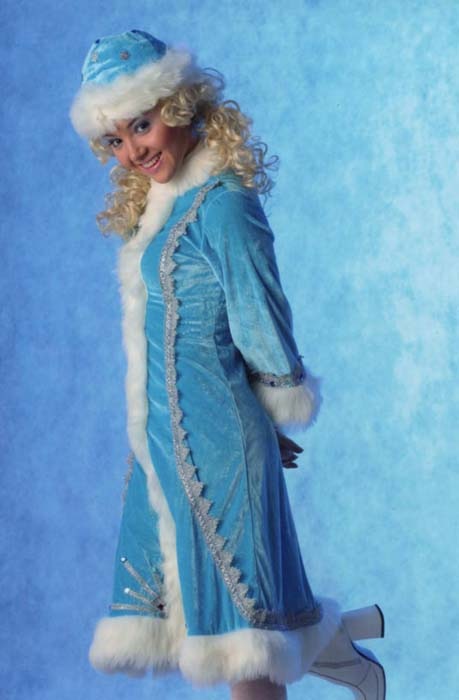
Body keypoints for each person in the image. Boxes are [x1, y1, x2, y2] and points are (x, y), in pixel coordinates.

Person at [69, 29, 386, 699]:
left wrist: (273, 408)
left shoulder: (223, 205)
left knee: (245, 647)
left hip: (218, 444)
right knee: (223, 622)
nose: (132, 151)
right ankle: (339, 647)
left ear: (178, 104)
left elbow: (260, 317)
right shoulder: (159, 209)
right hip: (162, 445)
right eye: (115, 139)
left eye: (142, 126)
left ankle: (334, 648)